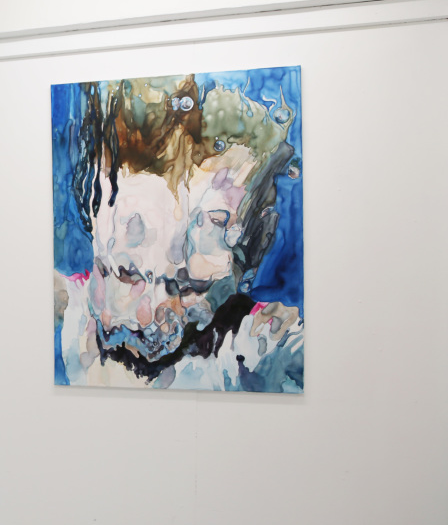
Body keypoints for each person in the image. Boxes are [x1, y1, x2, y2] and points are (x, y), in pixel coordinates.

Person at [51, 68, 303, 392]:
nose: (151, 317)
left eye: (188, 287)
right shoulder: (54, 315)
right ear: (93, 208)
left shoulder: (259, 345)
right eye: (128, 275)